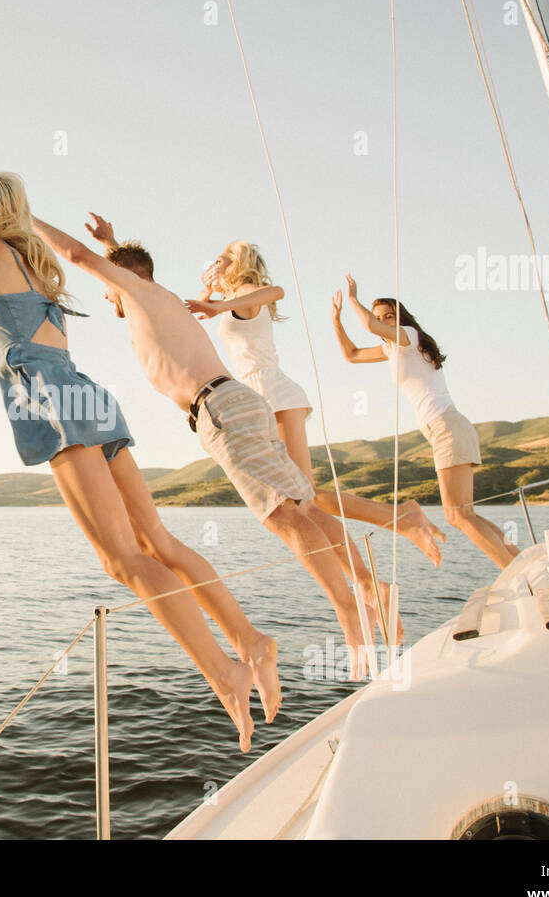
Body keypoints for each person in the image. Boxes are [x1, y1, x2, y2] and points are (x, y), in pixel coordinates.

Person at [0, 47, 282, 751]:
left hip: (50, 398)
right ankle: (251, 641)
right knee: (158, 541)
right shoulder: (19, 263)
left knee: (123, 560)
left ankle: (225, 673)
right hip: (87, 394)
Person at [31, 213, 390, 680]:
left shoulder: (140, 292)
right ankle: (365, 587)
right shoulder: (156, 298)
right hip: (239, 401)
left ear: (123, 277)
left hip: (221, 408)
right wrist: (115, 243)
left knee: (282, 513)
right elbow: (131, 267)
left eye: (107, 281)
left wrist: (28, 217)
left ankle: (349, 611)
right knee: (303, 503)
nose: (103, 292)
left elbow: (85, 260)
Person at [88, 219, 445, 637]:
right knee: (308, 501)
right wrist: (115, 247)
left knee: (301, 504)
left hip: (268, 396)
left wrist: (219, 302)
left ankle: (398, 529)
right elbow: (142, 289)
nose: (211, 264)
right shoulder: (220, 299)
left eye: (221, 259)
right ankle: (381, 562)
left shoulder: (243, 297)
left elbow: (272, 292)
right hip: (259, 397)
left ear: (236, 265)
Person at [332, 277, 518, 569]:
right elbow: (351, 355)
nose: (382, 322)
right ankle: (520, 563)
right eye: (379, 317)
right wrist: (336, 319)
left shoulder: (408, 336)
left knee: (457, 515)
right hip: (444, 428)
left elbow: (369, 326)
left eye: (388, 316)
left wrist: (355, 300)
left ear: (401, 318)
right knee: (464, 513)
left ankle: (514, 570)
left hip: (446, 425)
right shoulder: (392, 349)